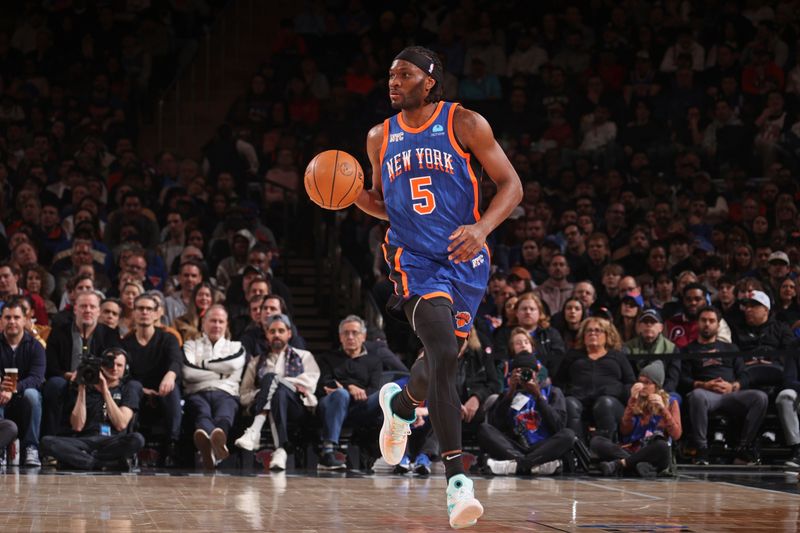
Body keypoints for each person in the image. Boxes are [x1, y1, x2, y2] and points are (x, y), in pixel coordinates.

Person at [355, 45, 522, 528]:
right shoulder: (378, 137)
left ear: (429, 81)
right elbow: (386, 205)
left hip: (464, 257)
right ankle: (457, 481)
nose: (393, 81)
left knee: (443, 358)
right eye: (390, 74)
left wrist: (482, 229)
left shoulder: (464, 123)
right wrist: (348, 197)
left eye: (404, 74)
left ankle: (401, 405)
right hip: (413, 260)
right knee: (445, 351)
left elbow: (511, 184)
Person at [681, 306, 768, 465]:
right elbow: (683, 379)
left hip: (730, 393)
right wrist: (704, 385)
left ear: (718, 324)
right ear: (697, 323)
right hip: (706, 394)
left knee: (760, 397)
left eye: (711, 321)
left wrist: (733, 386)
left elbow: (744, 375)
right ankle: (702, 450)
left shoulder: (730, 348)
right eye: (704, 320)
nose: (707, 324)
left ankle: (743, 449)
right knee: (697, 395)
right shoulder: (688, 349)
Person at [235, 314, 319, 471]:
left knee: (272, 380)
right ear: (267, 334)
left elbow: (310, 383)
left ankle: (254, 430)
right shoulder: (256, 362)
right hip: (265, 403)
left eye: (281, 330)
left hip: (296, 406)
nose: (277, 335)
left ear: (289, 333)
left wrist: (276, 381)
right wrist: (264, 392)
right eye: (272, 331)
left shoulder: (304, 356)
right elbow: (244, 394)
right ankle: (280, 449)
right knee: (277, 394)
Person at [39, 348, 145, 470]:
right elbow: (77, 426)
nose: (114, 368)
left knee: (137, 439)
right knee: (47, 442)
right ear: (101, 366)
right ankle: (102, 464)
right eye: (109, 363)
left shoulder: (128, 388)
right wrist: (82, 388)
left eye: (119, 365)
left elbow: (121, 424)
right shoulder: (85, 386)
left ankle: (83, 460)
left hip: (111, 442)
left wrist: (105, 391)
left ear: (126, 369)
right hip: (84, 441)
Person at [479, 352, 575, 476]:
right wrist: (510, 394)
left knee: (568, 434)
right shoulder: (507, 394)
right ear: (512, 374)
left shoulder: (553, 392)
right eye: (519, 372)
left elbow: (558, 427)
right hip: (515, 447)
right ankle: (533, 466)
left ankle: (515, 466)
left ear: (536, 373)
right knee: (483, 429)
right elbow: (496, 426)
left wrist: (538, 397)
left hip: (542, 447)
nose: (524, 376)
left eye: (528, 372)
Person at [44, 291, 120, 437]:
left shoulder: (110, 334)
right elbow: (51, 366)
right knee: (54, 385)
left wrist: (97, 377)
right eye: (83, 306)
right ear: (75, 309)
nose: (88, 310)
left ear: (98, 311)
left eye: (92, 306)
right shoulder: (59, 332)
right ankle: (51, 439)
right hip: (67, 381)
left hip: (98, 382)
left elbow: (114, 363)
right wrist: (69, 375)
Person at [315, 316, 384, 471]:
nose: (350, 337)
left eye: (355, 333)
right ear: (340, 337)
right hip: (332, 406)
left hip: (359, 408)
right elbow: (324, 384)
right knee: (340, 395)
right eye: (346, 333)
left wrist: (349, 388)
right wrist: (349, 388)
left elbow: (373, 389)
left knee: (385, 396)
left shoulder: (374, 361)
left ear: (363, 336)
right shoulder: (327, 358)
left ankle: (391, 454)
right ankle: (327, 453)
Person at [121, 294, 183, 466]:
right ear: (134, 313)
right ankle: (128, 446)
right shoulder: (125, 342)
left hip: (163, 388)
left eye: (149, 309)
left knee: (172, 388)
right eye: (140, 308)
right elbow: (122, 373)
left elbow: (176, 361)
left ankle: (172, 446)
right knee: (132, 386)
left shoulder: (168, 338)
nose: (144, 312)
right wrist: (142, 390)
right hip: (137, 389)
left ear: (158, 314)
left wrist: (170, 375)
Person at [182, 305, 246, 470]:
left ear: (226, 325)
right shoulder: (190, 345)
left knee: (225, 412)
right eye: (213, 321)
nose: (216, 325)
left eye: (220, 321)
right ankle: (216, 448)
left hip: (226, 393)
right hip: (197, 392)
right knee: (200, 411)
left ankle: (209, 448)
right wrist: (220, 374)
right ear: (204, 323)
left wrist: (202, 365)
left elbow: (233, 365)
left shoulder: (237, 347)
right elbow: (188, 372)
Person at [592, 361, 682, 478]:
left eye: (647, 383)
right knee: (597, 441)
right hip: (633, 451)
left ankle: (620, 464)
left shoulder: (670, 402)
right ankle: (639, 467)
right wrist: (632, 401)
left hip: (655, 453)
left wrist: (663, 410)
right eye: (640, 381)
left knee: (662, 446)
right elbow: (625, 430)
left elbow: (676, 435)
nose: (642, 386)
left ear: (657, 386)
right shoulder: (635, 401)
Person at [558, 316, 636, 440]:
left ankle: (608, 450)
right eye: (589, 330)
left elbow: (630, 383)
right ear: (583, 335)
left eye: (597, 330)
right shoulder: (572, 356)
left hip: (610, 403)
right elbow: (559, 382)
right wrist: (572, 391)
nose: (592, 333)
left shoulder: (617, 356)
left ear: (607, 335)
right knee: (569, 403)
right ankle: (577, 452)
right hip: (580, 401)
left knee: (604, 403)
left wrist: (615, 391)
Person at [0, 298, 46, 466]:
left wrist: (13, 388)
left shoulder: (36, 347)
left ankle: (31, 447)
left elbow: (37, 378)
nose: (12, 321)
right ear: (1, 320)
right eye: (7, 317)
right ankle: (1, 449)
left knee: (33, 394)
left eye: (16, 317)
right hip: (2, 398)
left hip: (23, 399)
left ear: (26, 320)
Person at [623, 309, 681, 392]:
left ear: (661, 327)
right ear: (639, 326)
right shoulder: (628, 348)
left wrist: (661, 393)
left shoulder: (672, 348)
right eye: (645, 322)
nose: (649, 325)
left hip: (663, 391)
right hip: (636, 391)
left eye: (653, 322)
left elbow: (672, 380)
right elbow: (627, 377)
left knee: (674, 398)